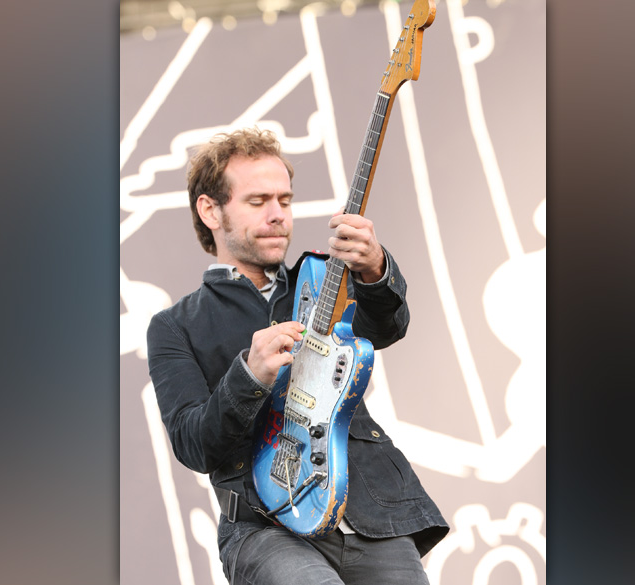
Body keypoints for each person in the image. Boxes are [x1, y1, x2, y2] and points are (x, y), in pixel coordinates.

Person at [147, 127, 448, 584]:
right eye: (257, 201)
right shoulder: (175, 325)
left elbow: (386, 328)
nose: (278, 215)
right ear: (210, 210)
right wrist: (248, 375)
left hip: (368, 510)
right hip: (262, 527)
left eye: (284, 201)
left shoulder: (324, 279)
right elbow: (193, 445)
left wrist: (375, 269)